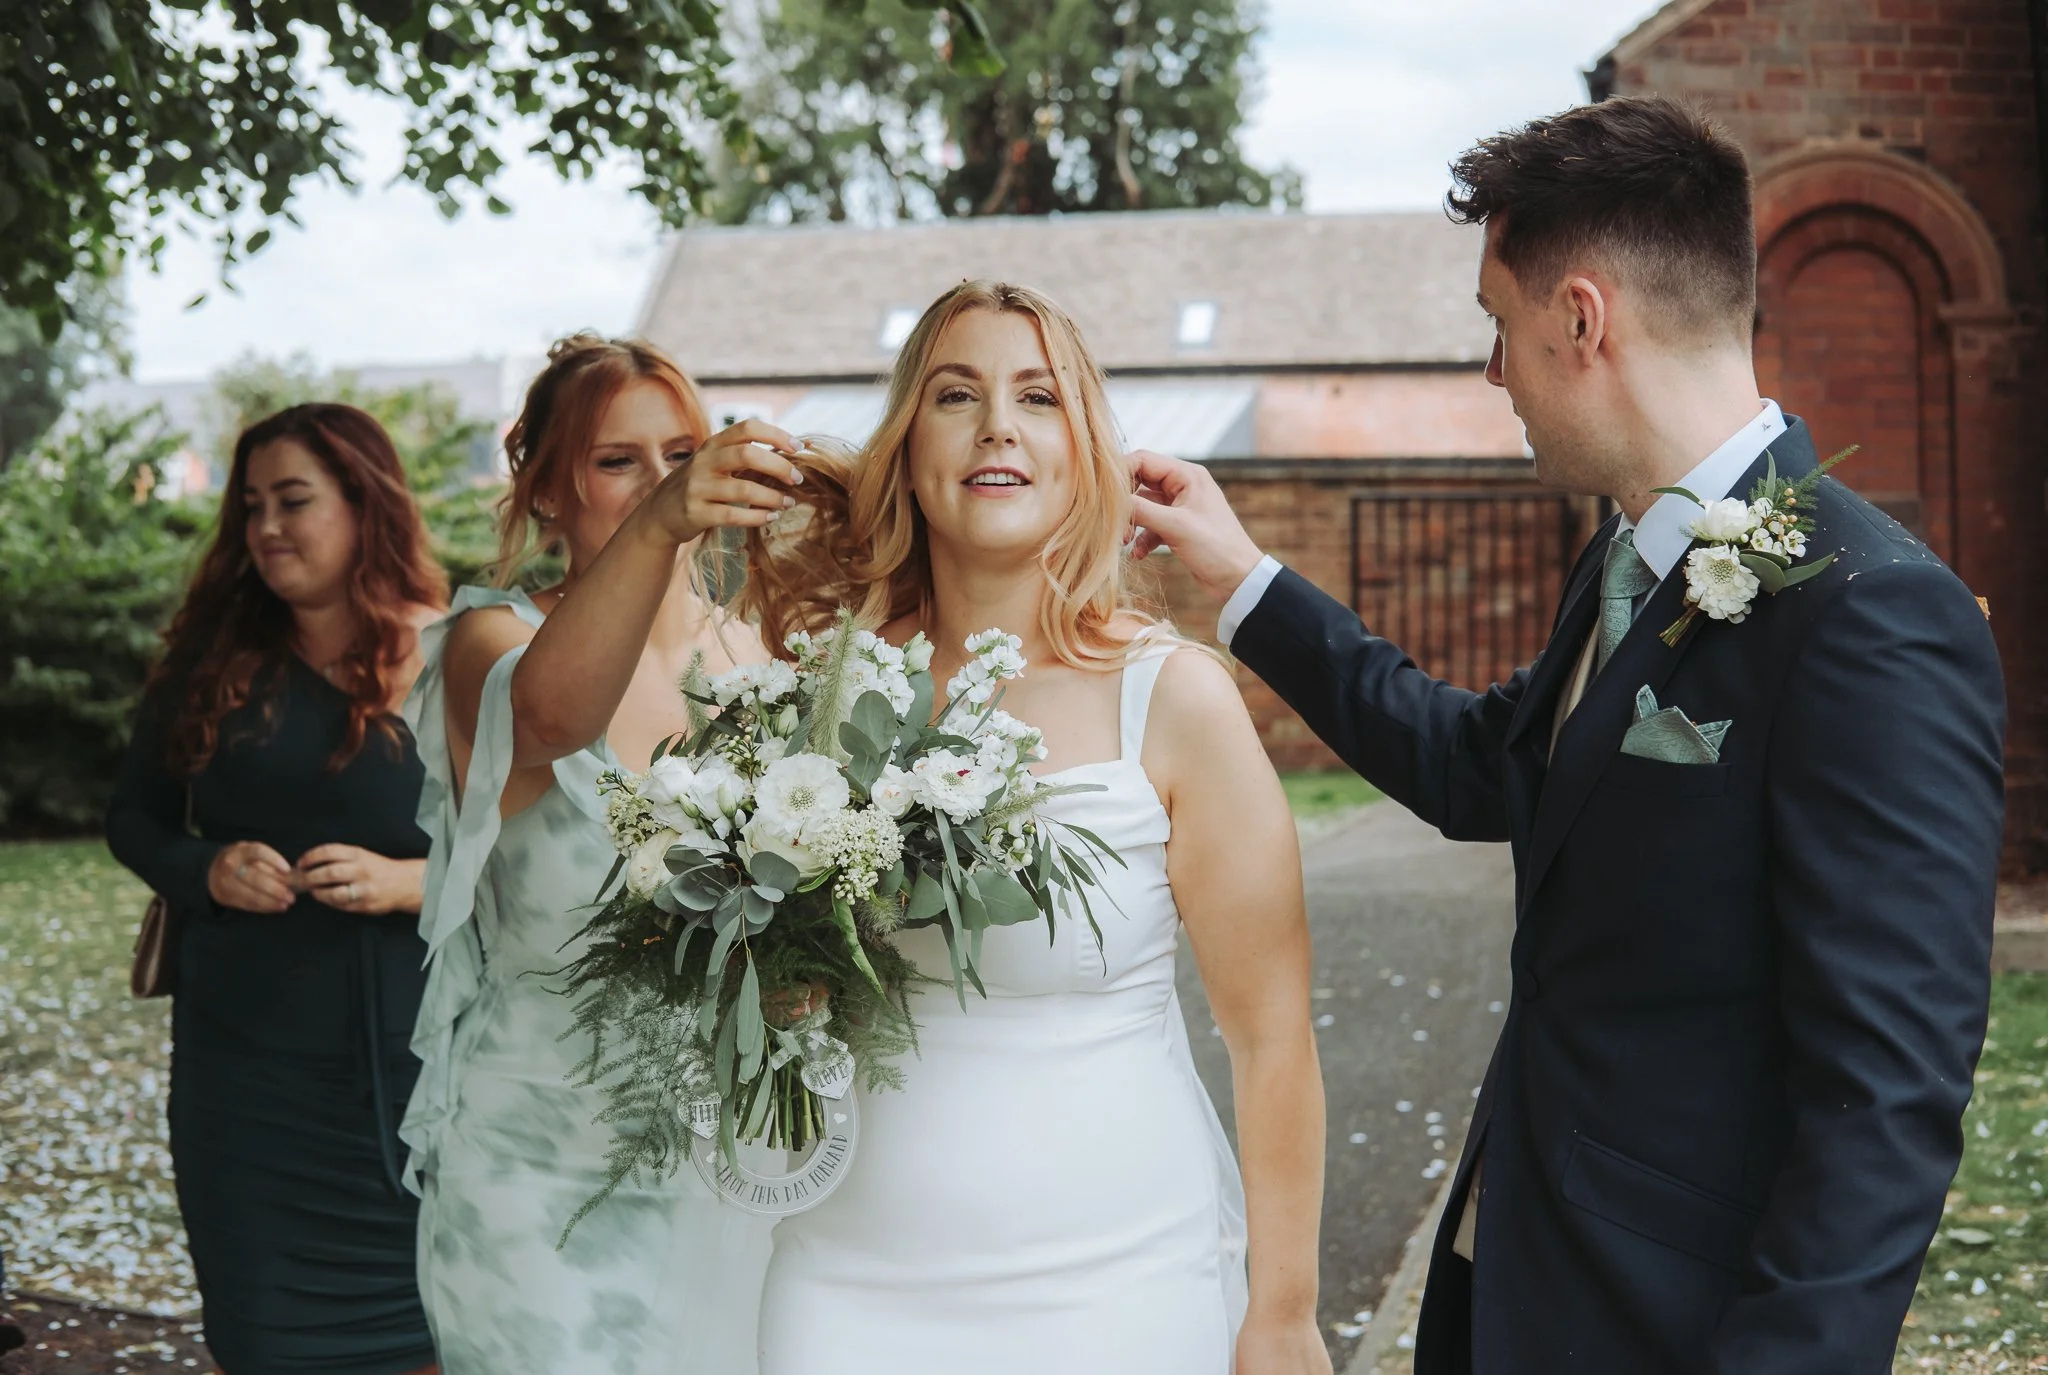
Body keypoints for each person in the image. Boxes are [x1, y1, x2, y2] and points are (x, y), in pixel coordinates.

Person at [1128, 95, 2007, 1374]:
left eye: (1498, 329)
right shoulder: (1624, 557)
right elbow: (1481, 764)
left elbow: (1887, 1102)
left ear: (1580, 318)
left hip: (1670, 1324)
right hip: (1511, 1281)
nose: (1493, 375)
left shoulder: (1872, 619)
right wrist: (1246, 579)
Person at [718, 280, 1331, 1375]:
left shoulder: (1173, 699)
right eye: (957, 395)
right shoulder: (817, 692)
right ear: (908, 449)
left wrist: (1281, 1315)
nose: (997, 422)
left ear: (1079, 450)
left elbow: (1272, 1038)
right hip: (848, 1289)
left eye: (1036, 396)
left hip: (1120, 1288)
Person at [401, 333, 792, 1374]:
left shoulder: (759, 655)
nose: (664, 482)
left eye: (681, 453)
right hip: (536, 1165)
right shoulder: (491, 642)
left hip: (726, 1164)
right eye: (618, 460)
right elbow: (553, 721)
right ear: (543, 490)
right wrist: (662, 525)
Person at [106, 403, 448, 1375]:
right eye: (250, 505)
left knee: (424, 1341)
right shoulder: (210, 661)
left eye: (293, 500)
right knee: (264, 1340)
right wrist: (202, 869)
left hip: (412, 1076)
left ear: (363, 502)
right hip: (244, 1078)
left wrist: (407, 882)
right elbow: (132, 817)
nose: (265, 528)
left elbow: (529, 850)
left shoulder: (459, 655)